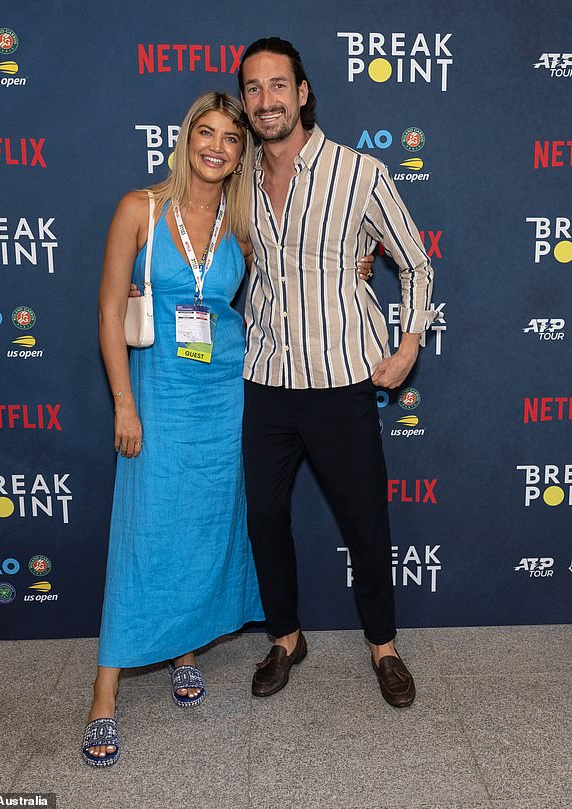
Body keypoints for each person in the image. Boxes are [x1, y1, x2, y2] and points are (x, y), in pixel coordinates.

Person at [237, 38, 439, 707]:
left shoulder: (361, 173)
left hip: (339, 382)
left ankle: (383, 645)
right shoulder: (238, 178)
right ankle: (286, 635)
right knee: (265, 515)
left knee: (365, 521)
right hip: (266, 378)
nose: (266, 101)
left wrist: (408, 342)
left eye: (277, 86)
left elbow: (414, 262)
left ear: (302, 92)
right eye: (254, 89)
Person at [83, 92, 265, 767]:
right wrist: (123, 403)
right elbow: (108, 312)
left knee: (203, 523)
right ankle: (104, 694)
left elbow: (300, 272)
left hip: (224, 394)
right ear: (186, 139)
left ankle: (184, 648)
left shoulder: (240, 225)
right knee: (144, 529)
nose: (217, 146)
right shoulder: (140, 209)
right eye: (206, 133)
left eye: (230, 138)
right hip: (156, 392)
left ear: (241, 153)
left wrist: (360, 267)